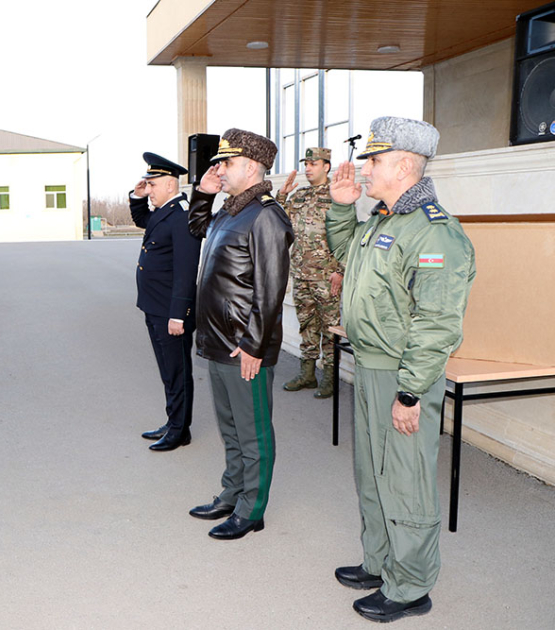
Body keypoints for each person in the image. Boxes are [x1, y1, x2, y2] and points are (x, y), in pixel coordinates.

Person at [326, 117, 476, 623]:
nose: (365, 169)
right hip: (370, 366)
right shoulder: (383, 220)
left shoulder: (434, 231)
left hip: (402, 373)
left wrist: (410, 393)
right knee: (373, 473)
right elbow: (348, 258)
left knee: (406, 479)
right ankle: (380, 562)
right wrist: (342, 210)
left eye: (374, 160)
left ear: (405, 166)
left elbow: (437, 323)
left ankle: (411, 585)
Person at [186, 129, 293, 540]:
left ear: (251, 167)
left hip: (243, 346)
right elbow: (196, 229)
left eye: (226, 163)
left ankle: (252, 510)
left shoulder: (266, 216)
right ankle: (232, 494)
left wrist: (254, 345)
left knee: (253, 433)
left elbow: (270, 290)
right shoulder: (231, 211)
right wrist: (203, 193)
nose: (220, 169)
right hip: (217, 341)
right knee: (230, 428)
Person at [129, 152, 203, 451]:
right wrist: (137, 197)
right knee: (167, 370)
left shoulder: (182, 215)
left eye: (153, 184)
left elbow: (186, 270)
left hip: (170, 311)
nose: (149, 190)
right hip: (155, 305)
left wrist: (178, 315)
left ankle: (180, 431)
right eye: (147, 184)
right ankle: (173, 421)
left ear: (170, 185)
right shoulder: (165, 212)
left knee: (177, 371)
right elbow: (143, 220)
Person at [276, 147, 344, 398]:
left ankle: (330, 377)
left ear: (326, 166)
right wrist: (282, 196)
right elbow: (280, 221)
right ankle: (307, 374)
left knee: (330, 328)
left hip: (326, 276)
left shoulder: (337, 195)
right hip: (301, 273)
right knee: (306, 325)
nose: (308, 168)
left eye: (313, 164)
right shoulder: (300, 195)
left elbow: (346, 235)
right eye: (306, 164)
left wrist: (340, 270)